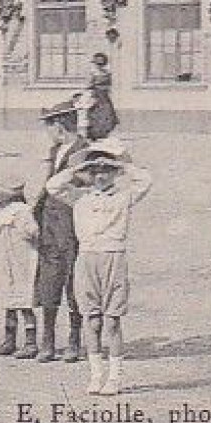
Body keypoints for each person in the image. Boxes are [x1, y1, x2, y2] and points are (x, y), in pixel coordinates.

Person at [45, 141, 153, 396]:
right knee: (91, 321)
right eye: (95, 171)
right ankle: (96, 375)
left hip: (113, 258)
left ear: (114, 172)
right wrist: (78, 168)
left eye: (106, 170)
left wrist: (122, 164)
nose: (100, 176)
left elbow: (146, 181)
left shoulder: (124, 196)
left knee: (112, 321)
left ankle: (114, 377)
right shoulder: (79, 197)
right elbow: (52, 186)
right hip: (87, 259)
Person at [31, 96, 89, 363]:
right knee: (48, 281)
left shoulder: (83, 151)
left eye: (49, 125)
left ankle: (75, 340)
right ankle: (48, 341)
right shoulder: (56, 151)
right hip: (50, 224)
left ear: (59, 125)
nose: (47, 132)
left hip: (72, 224)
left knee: (73, 282)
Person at [0, 178, 40, 359]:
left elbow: (33, 232)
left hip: (20, 264)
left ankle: (31, 342)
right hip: (5, 265)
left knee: (24, 303)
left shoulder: (21, 212)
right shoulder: (4, 215)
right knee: (9, 302)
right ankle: (10, 340)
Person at [87, 52, 120, 138]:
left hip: (103, 96)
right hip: (96, 95)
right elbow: (89, 85)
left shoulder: (107, 73)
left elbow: (109, 85)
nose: (99, 65)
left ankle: (103, 132)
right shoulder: (94, 73)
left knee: (106, 113)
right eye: (97, 63)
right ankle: (96, 133)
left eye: (100, 63)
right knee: (96, 114)